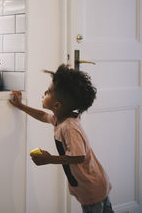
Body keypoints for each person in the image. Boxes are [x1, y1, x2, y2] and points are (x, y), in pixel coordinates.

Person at [9, 64, 113, 213]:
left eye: (49, 91)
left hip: (91, 186)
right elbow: (43, 116)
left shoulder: (69, 127)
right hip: (91, 184)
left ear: (57, 105)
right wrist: (21, 106)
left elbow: (78, 156)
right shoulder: (60, 119)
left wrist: (49, 159)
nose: (44, 92)